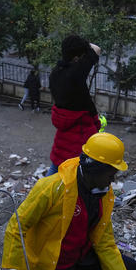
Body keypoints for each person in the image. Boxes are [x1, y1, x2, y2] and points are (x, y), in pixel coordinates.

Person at [2, 132, 136, 270]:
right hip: (55, 263)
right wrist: (13, 267)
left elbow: (104, 240)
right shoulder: (52, 188)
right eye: (111, 172)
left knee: (129, 267)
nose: (113, 178)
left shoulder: (103, 192)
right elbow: (18, 225)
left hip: (82, 255)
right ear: (94, 169)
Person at [48, 35, 102, 176]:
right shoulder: (76, 73)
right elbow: (96, 48)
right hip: (81, 134)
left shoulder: (55, 73)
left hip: (63, 134)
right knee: (78, 177)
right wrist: (83, 44)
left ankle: (43, 195)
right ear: (77, 58)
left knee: (55, 170)